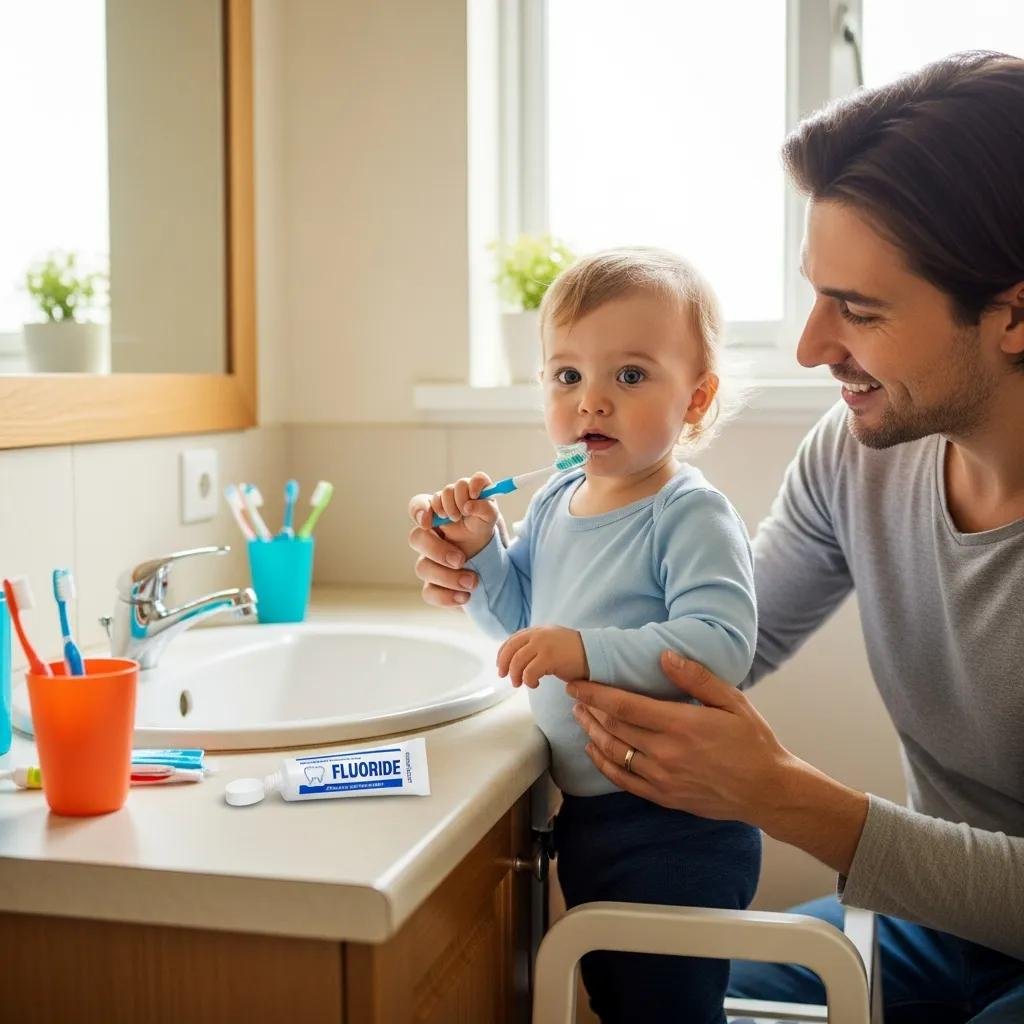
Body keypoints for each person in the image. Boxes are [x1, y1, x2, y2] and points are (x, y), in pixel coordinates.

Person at [408, 52, 1024, 1022]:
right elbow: (724, 636)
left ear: (1013, 312)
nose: (810, 345)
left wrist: (789, 799)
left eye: (857, 309)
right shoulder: (858, 455)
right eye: (814, 292)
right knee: (661, 987)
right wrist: (487, 566)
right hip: (924, 923)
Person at [409, 247, 761, 1023]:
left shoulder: (686, 511)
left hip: (681, 822)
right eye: (567, 376)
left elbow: (722, 640)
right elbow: (522, 626)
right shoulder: (558, 498)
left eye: (629, 376)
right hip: (596, 813)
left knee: (666, 1008)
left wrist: (584, 648)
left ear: (695, 401)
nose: (591, 401)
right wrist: (481, 557)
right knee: (621, 997)